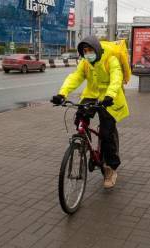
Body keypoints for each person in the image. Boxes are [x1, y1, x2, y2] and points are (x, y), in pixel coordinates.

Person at [51, 35, 129, 189]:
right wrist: (62, 94)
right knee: (80, 117)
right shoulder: (85, 62)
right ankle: (83, 143)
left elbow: (116, 78)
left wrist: (109, 96)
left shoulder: (110, 59)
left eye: (90, 50)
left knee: (107, 134)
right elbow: (75, 77)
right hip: (92, 95)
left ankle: (110, 169)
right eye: (85, 51)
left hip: (110, 97)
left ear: (98, 50)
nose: (88, 53)